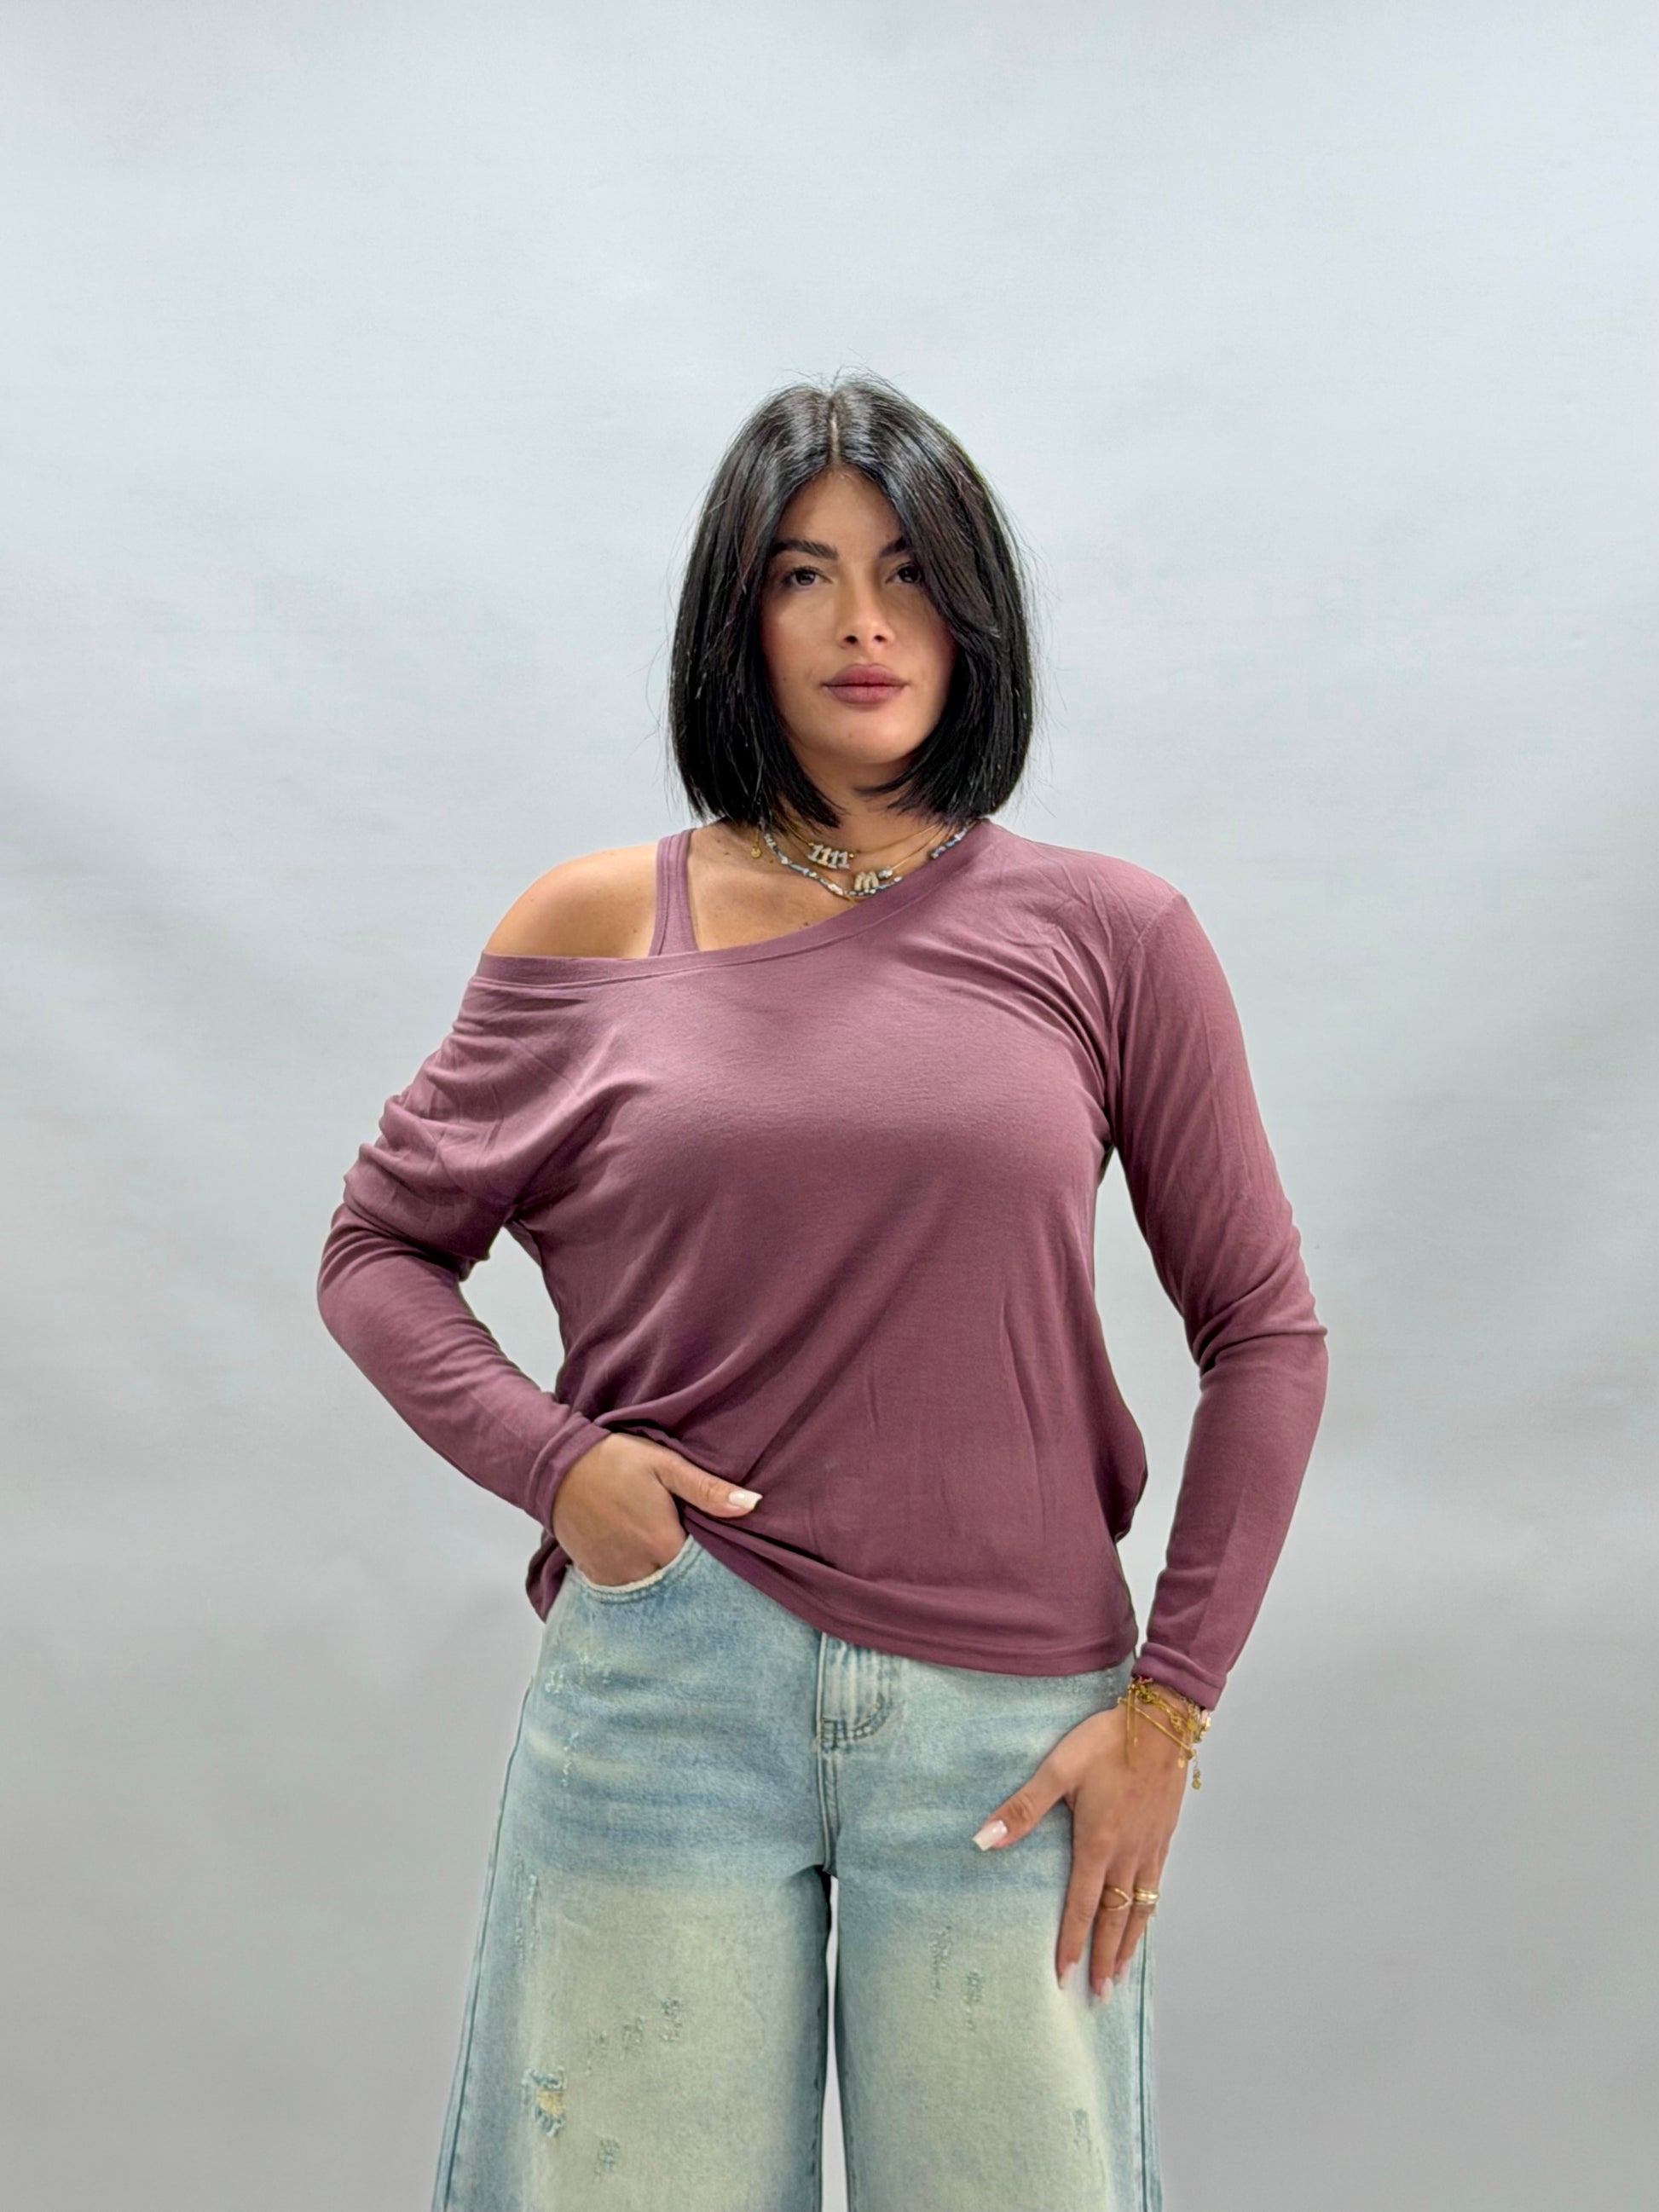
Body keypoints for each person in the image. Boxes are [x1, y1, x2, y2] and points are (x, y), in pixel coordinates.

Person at [316, 370, 1329, 2212]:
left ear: (973, 608)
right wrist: (558, 1465)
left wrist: (1168, 1715)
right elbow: (378, 1250)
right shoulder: (596, 925)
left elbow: (1262, 1334)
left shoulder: (1110, 936)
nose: (864, 622)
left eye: (908, 571)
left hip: (1011, 1722)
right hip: (669, 1691)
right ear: (739, 616)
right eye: (804, 574)